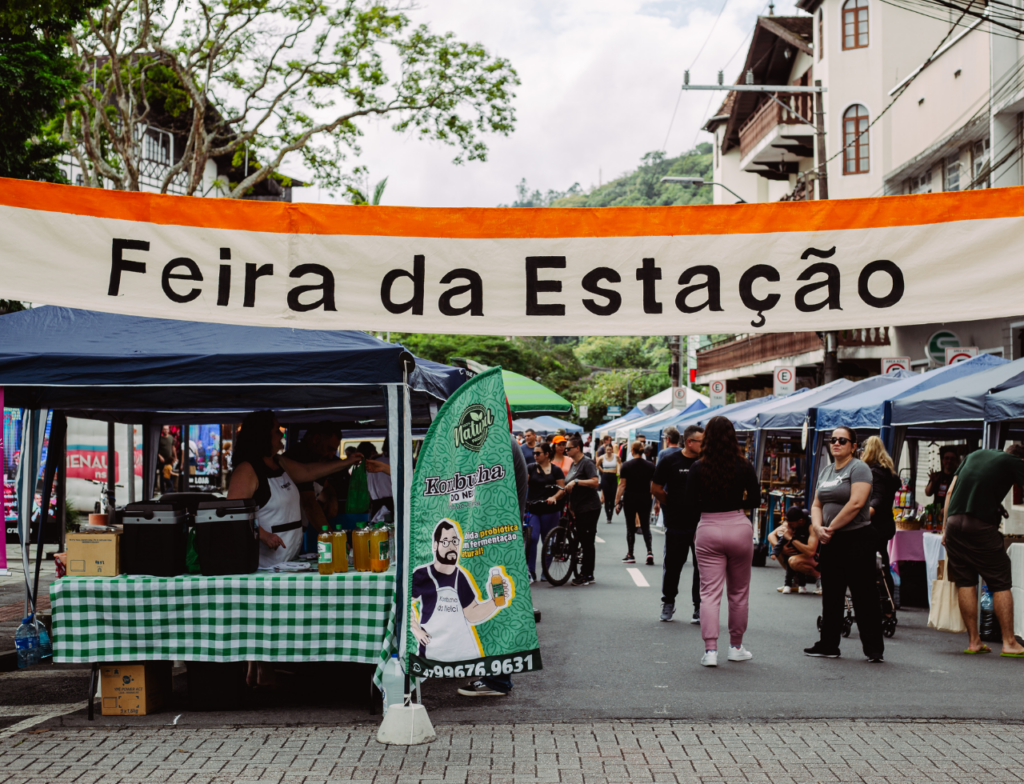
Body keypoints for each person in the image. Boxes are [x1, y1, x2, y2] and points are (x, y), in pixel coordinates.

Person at [227, 410, 364, 688]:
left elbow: (310, 472)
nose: (282, 435)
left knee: (279, 616)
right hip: (264, 561)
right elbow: (231, 514)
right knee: (262, 616)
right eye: (277, 430)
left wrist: (346, 462)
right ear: (262, 435)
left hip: (288, 558)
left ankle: (271, 668)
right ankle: (260, 670)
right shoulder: (247, 469)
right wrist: (262, 534)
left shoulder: (279, 462)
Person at [682, 416, 759, 667]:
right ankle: (736, 646)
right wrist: (736, 504)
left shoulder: (697, 467)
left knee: (709, 594)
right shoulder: (744, 465)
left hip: (709, 527)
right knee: (738, 593)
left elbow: (690, 504)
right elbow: (756, 499)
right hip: (738, 526)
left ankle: (711, 650)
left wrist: (709, 506)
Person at [805, 426, 884, 662]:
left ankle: (873, 649)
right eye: (833, 439)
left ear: (852, 446)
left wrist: (830, 528)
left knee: (864, 595)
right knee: (831, 595)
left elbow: (857, 502)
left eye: (842, 440)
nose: (836, 443)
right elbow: (816, 504)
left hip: (856, 538)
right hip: (831, 541)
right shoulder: (827, 471)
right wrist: (818, 528)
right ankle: (828, 644)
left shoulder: (859, 468)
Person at [458, 432, 529, 696]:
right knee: (493, 602)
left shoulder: (497, 442)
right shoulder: (501, 440)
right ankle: (494, 676)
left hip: (497, 538)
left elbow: (487, 492)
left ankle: (497, 680)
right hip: (497, 535)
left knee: (497, 605)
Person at [941, 443, 1024, 656]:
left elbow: (950, 491)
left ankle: (974, 641)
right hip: (979, 524)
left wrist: (944, 529)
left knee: (965, 581)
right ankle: (1009, 642)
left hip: (952, 523)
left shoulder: (975, 455)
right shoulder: (1014, 463)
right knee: (1000, 581)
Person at [652, 424, 704, 623]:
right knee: (673, 565)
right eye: (701, 441)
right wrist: (671, 505)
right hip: (676, 522)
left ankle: (699, 607)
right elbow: (656, 488)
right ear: (689, 442)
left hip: (702, 523)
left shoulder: (706, 462)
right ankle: (668, 602)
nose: (705, 444)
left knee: (702, 568)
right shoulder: (669, 461)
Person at [283, 421, 347, 553]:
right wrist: (332, 539)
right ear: (316, 439)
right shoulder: (299, 457)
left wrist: (332, 498)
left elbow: (325, 486)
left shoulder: (317, 459)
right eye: (329, 449)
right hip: (282, 537)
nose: (331, 455)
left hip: (295, 533)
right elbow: (309, 503)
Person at [549, 436, 601, 586]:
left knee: (587, 540)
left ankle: (587, 574)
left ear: (577, 448)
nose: (566, 450)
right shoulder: (574, 464)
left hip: (589, 507)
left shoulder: (587, 462)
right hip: (577, 507)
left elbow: (595, 482)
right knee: (581, 538)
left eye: (568, 448)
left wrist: (577, 481)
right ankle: (584, 570)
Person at [862, 435, 901, 603]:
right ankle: (887, 602)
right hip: (886, 524)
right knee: (882, 562)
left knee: (872, 565)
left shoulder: (873, 473)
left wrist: (863, 514)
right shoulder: (889, 473)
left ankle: (879, 602)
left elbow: (877, 499)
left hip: (874, 525)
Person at [525, 442, 565, 581]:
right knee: (532, 538)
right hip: (533, 509)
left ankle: (545, 572)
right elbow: (523, 483)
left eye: (538, 453)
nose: (535, 456)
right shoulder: (530, 468)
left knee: (548, 542)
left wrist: (554, 497)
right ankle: (531, 571)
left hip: (550, 510)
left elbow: (562, 489)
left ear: (547, 454)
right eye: (533, 453)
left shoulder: (556, 470)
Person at [616, 440, 656, 565]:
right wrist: (657, 502)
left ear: (632, 451)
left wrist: (617, 501)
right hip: (645, 497)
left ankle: (630, 554)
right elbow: (654, 485)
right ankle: (649, 552)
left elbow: (622, 485)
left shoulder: (626, 465)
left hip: (630, 498)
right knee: (645, 526)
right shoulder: (650, 466)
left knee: (630, 526)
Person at [769, 506, 819, 593]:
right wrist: (782, 548)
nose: (788, 526)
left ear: (800, 520)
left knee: (793, 561)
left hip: (817, 558)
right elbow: (771, 535)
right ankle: (794, 580)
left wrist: (791, 538)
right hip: (801, 556)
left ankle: (820, 578)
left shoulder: (811, 526)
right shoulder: (791, 522)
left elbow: (811, 552)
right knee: (777, 547)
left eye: (790, 524)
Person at [926, 447, 960, 511]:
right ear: (942, 460)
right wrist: (932, 482)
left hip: (951, 512)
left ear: (956, 461)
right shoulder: (937, 475)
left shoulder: (959, 477)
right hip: (937, 512)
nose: (949, 461)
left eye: (952, 459)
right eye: (947, 458)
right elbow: (928, 493)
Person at [598, 443, 621, 524]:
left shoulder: (616, 456)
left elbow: (619, 463)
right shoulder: (602, 457)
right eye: (607, 450)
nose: (609, 451)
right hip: (605, 476)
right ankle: (608, 515)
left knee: (612, 497)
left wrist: (618, 471)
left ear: (612, 449)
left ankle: (610, 514)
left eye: (610, 449)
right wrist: (602, 471)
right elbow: (597, 465)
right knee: (606, 498)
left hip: (613, 476)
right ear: (605, 450)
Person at [157, 425, 177, 494]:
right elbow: (156, 449)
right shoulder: (160, 438)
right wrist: (159, 456)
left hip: (169, 461)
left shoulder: (171, 438)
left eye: (166, 429)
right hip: (162, 461)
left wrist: (175, 457)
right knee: (163, 476)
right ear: (162, 430)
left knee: (170, 475)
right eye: (164, 429)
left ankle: (169, 491)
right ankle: (163, 492)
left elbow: (173, 447)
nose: (165, 430)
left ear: (169, 430)